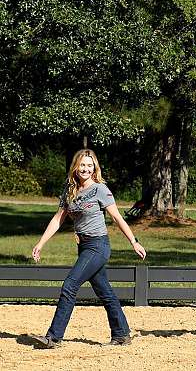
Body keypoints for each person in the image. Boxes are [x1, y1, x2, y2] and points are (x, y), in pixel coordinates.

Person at [30, 149, 146, 348]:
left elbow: (117, 217)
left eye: (89, 165)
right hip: (83, 247)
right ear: (76, 166)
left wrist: (133, 242)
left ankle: (53, 337)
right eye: (82, 165)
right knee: (105, 292)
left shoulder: (100, 189)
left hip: (98, 246)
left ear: (95, 168)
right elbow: (58, 219)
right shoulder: (70, 189)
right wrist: (40, 243)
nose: (85, 169)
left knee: (70, 285)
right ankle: (121, 334)